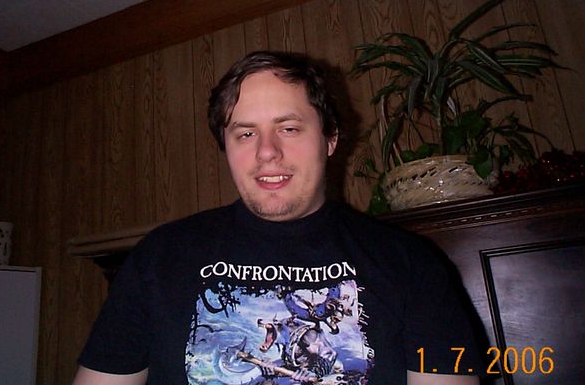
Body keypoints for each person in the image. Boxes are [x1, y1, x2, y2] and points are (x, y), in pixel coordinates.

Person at [73, 51, 483, 385]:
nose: (266, 151)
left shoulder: (413, 264)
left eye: (288, 128)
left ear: (330, 138)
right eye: (246, 133)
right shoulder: (159, 257)